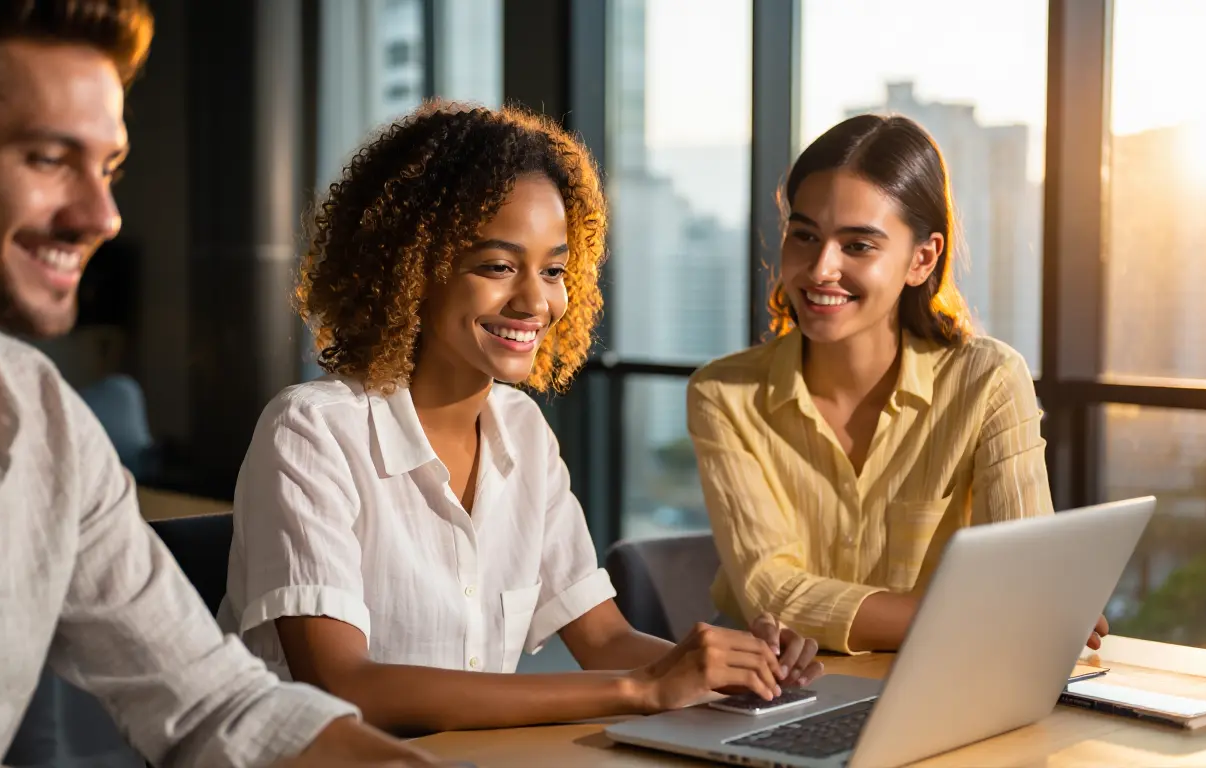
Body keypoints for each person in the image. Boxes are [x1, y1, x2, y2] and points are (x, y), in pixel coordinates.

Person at [0, 2, 444, 765]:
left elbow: (213, 703)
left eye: (108, 168)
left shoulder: (47, 425)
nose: (102, 216)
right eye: (47, 159)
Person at [218, 101, 825, 735]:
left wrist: (735, 668)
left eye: (555, 269)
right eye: (498, 266)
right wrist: (640, 689)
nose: (536, 301)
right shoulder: (312, 432)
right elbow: (349, 688)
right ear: (411, 269)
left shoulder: (523, 432)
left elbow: (607, 641)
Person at [687, 114, 1109, 655]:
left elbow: (1026, 580)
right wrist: (990, 614)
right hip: (766, 691)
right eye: (805, 236)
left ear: (921, 259)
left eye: (857, 246)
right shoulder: (723, 395)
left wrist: (1031, 607)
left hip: (939, 687)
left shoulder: (988, 383)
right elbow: (773, 595)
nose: (820, 268)